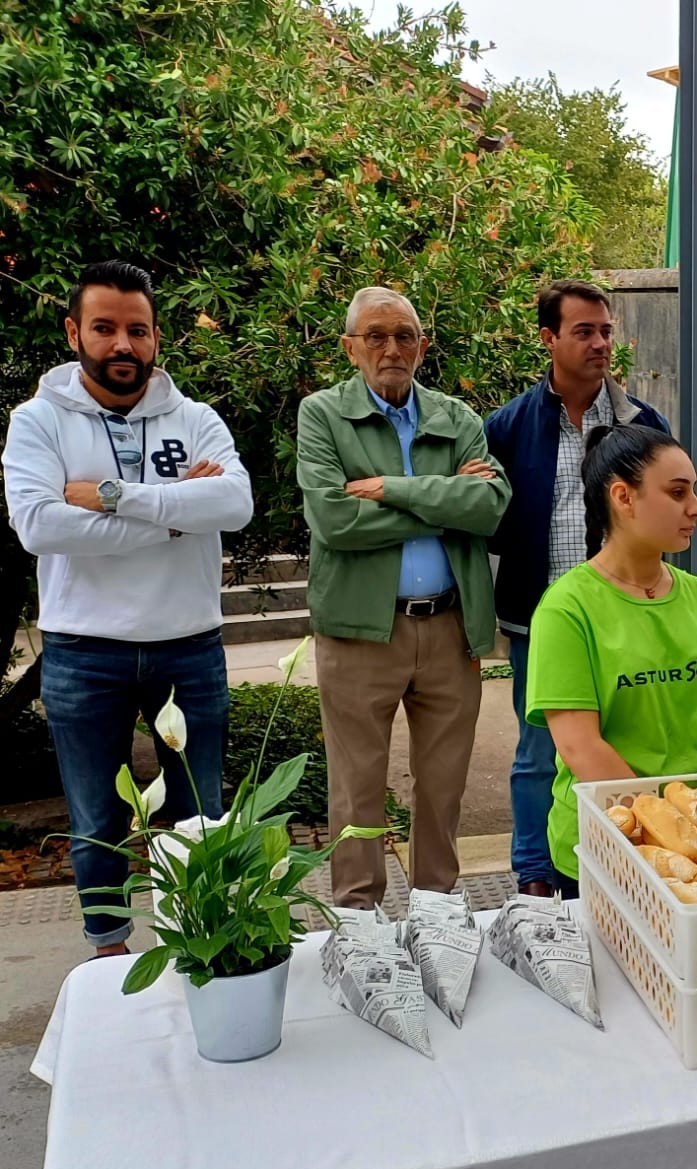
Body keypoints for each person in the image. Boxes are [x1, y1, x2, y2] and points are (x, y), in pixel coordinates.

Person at [2, 259, 253, 955]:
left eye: (137, 330)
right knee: (97, 819)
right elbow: (40, 525)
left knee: (199, 816)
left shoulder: (194, 418)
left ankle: (202, 951)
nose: (122, 344)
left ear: (155, 338)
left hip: (188, 646)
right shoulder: (39, 421)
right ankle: (110, 958)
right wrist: (178, 515)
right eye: (104, 328)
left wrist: (114, 497)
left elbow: (234, 503)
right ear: (73, 332)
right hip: (85, 652)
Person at [296, 287, 510, 909]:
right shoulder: (322, 415)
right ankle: (359, 913)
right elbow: (335, 521)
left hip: (449, 626)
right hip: (360, 632)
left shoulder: (456, 417)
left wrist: (391, 489)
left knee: (443, 784)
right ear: (350, 348)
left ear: (422, 345)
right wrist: (444, 501)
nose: (391, 349)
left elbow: (490, 507)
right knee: (357, 786)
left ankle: (435, 909)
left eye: (404, 336)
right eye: (376, 336)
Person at [485, 280, 670, 898]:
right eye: (584, 331)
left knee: (611, 747)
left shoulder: (640, 424)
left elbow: (660, 511)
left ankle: (618, 864)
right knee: (539, 752)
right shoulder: (507, 426)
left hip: (621, 617)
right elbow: (488, 519)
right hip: (539, 620)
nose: (600, 343)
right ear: (549, 338)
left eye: (606, 331)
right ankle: (537, 872)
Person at [527, 423, 697, 894]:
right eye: (677, 492)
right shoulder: (567, 608)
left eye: (693, 491)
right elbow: (580, 746)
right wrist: (666, 834)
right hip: (607, 843)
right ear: (623, 497)